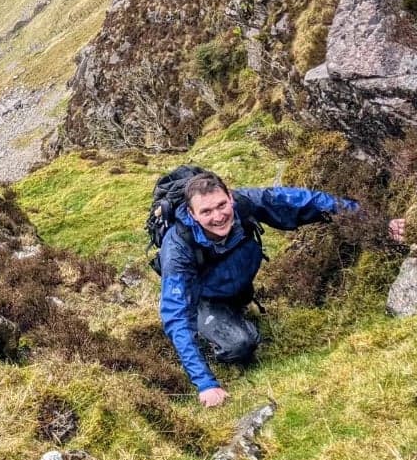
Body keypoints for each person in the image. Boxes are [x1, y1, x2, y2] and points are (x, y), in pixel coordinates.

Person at [157, 170, 401, 408]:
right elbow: (176, 315)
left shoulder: (245, 203)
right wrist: (205, 384)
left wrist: (376, 223)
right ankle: (210, 334)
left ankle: (234, 310)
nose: (218, 216)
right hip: (204, 298)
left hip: (237, 286)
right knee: (241, 345)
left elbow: (304, 202)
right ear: (191, 213)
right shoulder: (178, 248)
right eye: (206, 211)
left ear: (230, 197)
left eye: (222, 205)